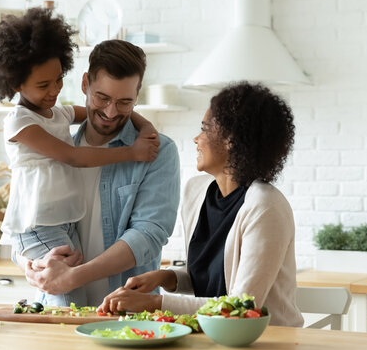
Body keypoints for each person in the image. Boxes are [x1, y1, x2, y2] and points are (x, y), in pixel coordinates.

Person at [0, 8, 161, 307]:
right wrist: (131, 152)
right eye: (43, 85)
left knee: (69, 297)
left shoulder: (59, 113)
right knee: (68, 300)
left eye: (58, 80)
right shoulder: (20, 123)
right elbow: (72, 157)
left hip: (60, 225)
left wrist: (145, 125)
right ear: (16, 84)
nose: (54, 91)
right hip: (38, 226)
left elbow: (100, 110)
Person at [98, 82, 305, 327]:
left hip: (267, 342)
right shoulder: (197, 192)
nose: (196, 138)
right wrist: (165, 277)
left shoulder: (266, 207)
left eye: (204, 129)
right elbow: (210, 280)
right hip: (211, 336)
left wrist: (155, 303)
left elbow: (241, 307)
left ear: (231, 139)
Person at [16, 39, 181, 306]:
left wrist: (73, 278)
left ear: (136, 98)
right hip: (58, 312)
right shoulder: (55, 149)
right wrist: (29, 265)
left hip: (128, 317)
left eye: (125, 102)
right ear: (85, 84)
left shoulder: (157, 152)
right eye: (101, 98)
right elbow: (24, 223)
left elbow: (148, 235)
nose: (110, 112)